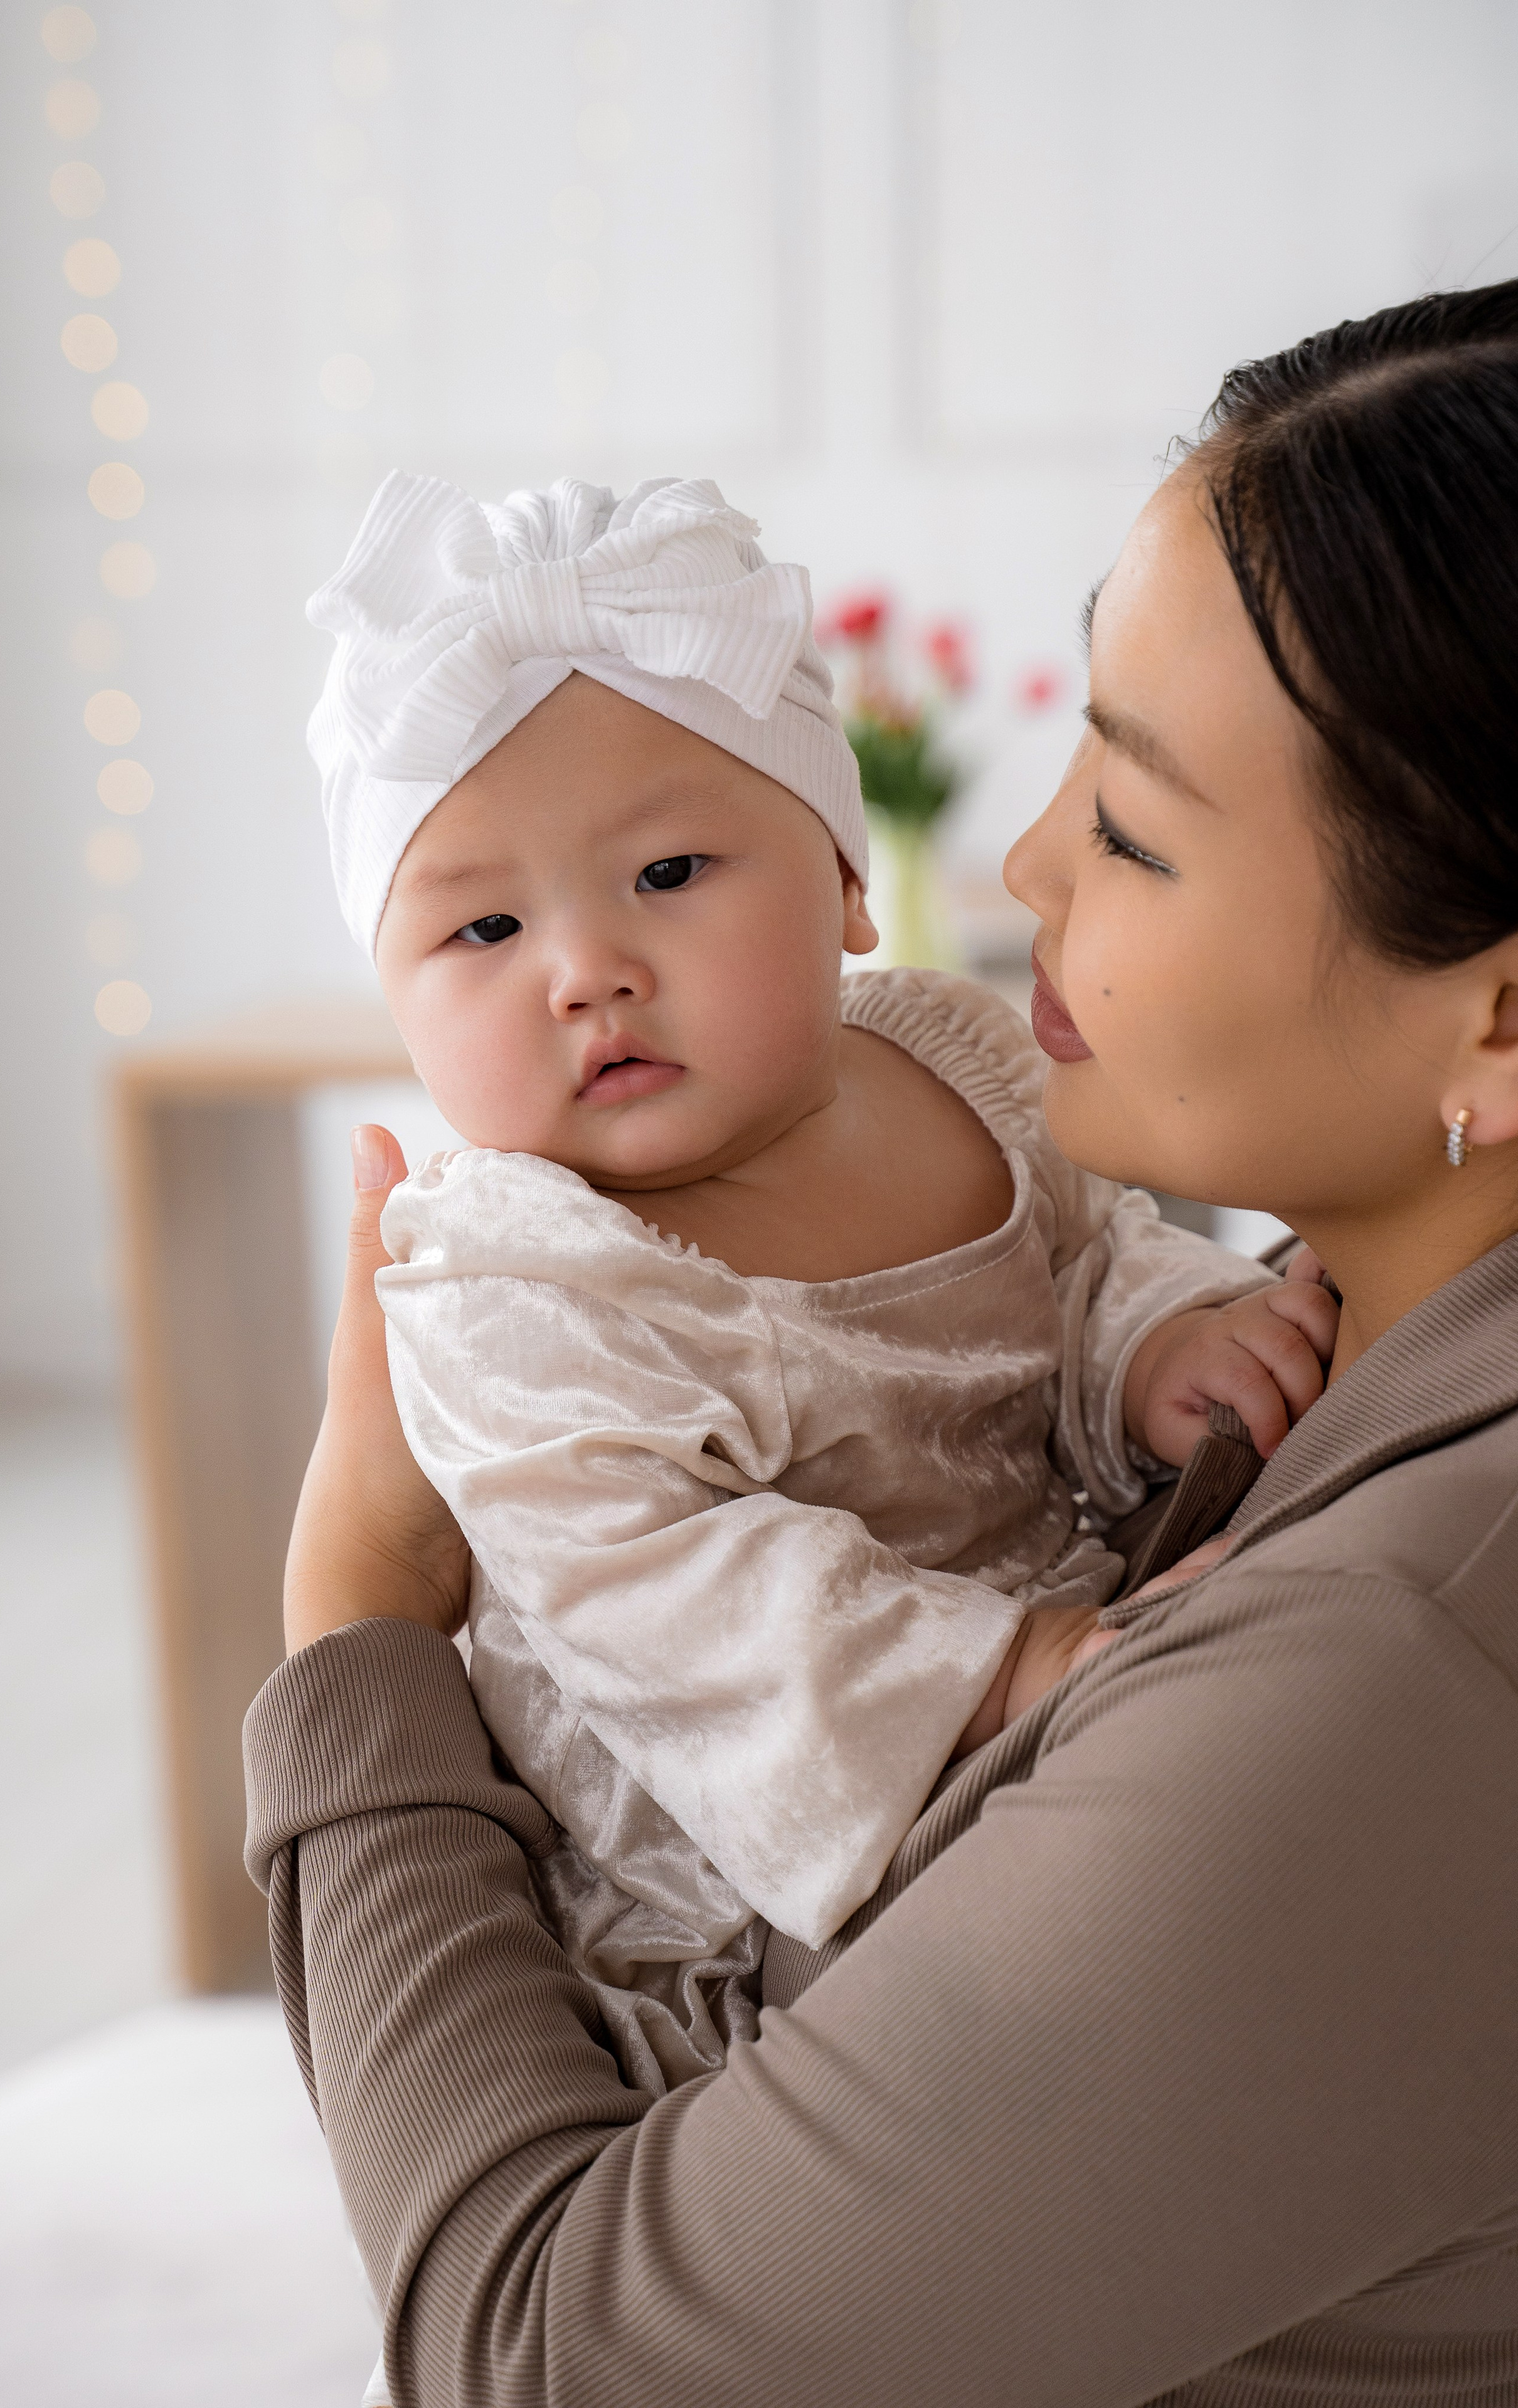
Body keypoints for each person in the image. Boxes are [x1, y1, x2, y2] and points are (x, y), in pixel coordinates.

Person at [247, 283, 1518, 2406]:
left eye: (1128, 825)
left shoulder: (1397, 1676)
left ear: (1498, 1009)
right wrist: (1182, 1346)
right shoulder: (533, 1281)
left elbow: (548, 2363)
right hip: (713, 1846)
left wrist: (354, 1617)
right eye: (477, 925)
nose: (1015, 862)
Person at [301, 470, 1322, 2097]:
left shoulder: (954, 1054)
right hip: (741, 1883)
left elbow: (1084, 1252)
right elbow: (670, 1594)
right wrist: (1003, 1673)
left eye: (668, 874)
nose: (587, 971)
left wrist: (1152, 1341)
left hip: (1062, 1682)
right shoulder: (514, 1271)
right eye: (484, 926)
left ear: (847, 880)